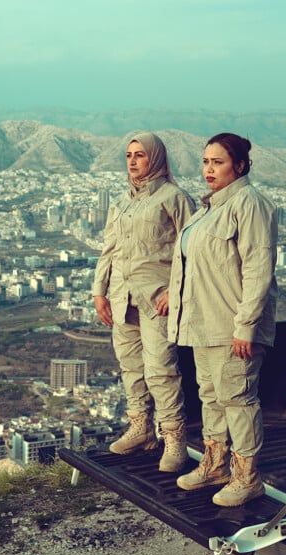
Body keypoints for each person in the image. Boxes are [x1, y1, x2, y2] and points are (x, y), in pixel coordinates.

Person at [167, 132, 278, 506]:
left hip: (233, 326)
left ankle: (247, 477)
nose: (208, 169)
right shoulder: (208, 209)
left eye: (218, 162)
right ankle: (215, 465)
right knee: (211, 397)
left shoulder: (250, 204)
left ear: (241, 165)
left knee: (238, 399)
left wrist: (246, 325)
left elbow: (258, 269)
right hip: (204, 323)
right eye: (205, 162)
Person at [93, 132, 196, 472]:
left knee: (161, 370)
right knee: (130, 366)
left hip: (157, 299)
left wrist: (175, 292)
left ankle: (173, 438)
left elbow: (192, 253)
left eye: (140, 155)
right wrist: (99, 291)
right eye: (128, 155)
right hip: (122, 296)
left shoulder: (175, 198)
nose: (133, 161)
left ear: (155, 158)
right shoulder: (122, 202)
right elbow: (110, 249)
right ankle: (141, 428)